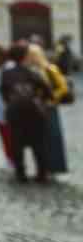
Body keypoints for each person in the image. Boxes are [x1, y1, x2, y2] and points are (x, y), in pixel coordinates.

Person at [0, 43, 52, 183]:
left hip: (14, 111)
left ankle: (20, 173)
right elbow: (47, 90)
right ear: (25, 56)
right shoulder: (33, 72)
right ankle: (42, 173)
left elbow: (4, 93)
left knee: (17, 142)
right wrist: (41, 100)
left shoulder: (6, 73)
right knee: (38, 143)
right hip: (33, 111)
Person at [26, 44, 70, 176]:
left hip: (49, 107)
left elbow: (63, 87)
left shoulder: (50, 69)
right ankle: (42, 167)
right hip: (35, 108)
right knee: (38, 139)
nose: (31, 58)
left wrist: (52, 100)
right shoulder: (28, 70)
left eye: (33, 55)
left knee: (52, 137)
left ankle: (54, 166)